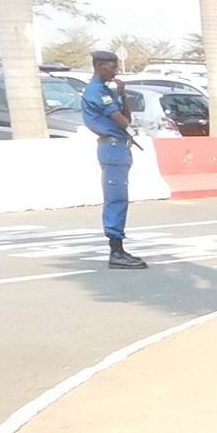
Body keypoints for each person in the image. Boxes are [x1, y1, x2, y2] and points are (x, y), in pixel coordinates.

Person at [80, 52, 145, 270]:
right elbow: (123, 122)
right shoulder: (97, 92)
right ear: (99, 66)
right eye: (111, 67)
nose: (115, 72)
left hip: (118, 147)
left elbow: (128, 118)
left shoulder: (106, 90)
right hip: (112, 147)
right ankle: (116, 250)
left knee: (120, 198)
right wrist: (120, 102)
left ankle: (118, 248)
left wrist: (122, 94)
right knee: (116, 198)